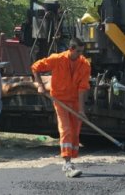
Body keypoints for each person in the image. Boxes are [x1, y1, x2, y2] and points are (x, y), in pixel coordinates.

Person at [31, 38, 91, 177]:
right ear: (71, 48)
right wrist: (40, 85)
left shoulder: (85, 64)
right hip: (60, 100)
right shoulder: (57, 59)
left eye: (82, 52)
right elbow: (35, 67)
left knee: (75, 132)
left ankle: (71, 159)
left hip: (75, 101)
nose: (81, 54)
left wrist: (81, 110)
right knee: (66, 129)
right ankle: (67, 164)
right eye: (78, 51)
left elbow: (83, 88)